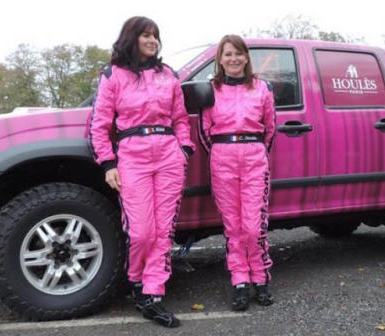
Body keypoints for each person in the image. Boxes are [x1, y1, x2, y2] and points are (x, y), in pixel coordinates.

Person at [90, 16, 194, 328]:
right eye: (146, 35)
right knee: (142, 231)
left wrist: (183, 149)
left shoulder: (168, 75)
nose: (152, 41)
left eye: (155, 36)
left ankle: (152, 293)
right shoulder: (113, 75)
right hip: (132, 156)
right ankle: (136, 280)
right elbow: (99, 124)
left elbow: (180, 118)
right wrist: (108, 163)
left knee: (163, 230)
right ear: (131, 38)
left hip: (168, 156)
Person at [199, 35, 276, 311]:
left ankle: (260, 278)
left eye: (238, 54)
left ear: (246, 57)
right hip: (222, 159)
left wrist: (252, 150)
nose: (233, 59)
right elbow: (204, 131)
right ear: (220, 58)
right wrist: (224, 151)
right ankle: (240, 281)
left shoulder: (261, 88)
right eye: (227, 54)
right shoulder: (211, 89)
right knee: (233, 227)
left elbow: (270, 128)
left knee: (254, 227)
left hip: (255, 157)